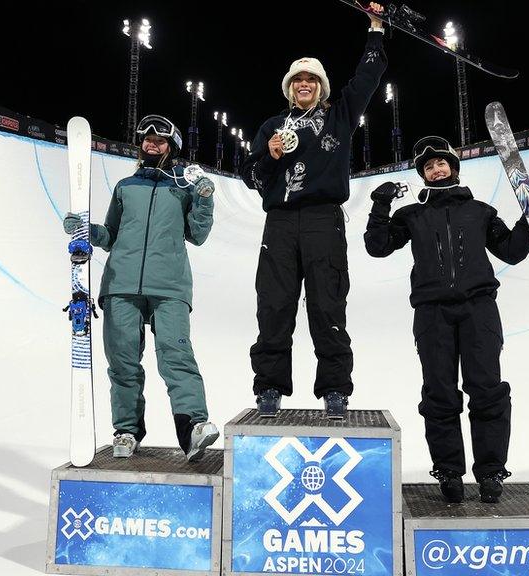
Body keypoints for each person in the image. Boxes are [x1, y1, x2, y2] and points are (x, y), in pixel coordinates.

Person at [363, 135, 529, 503]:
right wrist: (380, 204)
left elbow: (511, 252)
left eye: (441, 162)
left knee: (487, 390)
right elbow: (377, 246)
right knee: (439, 393)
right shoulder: (412, 215)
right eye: (428, 166)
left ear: (453, 167)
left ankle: (491, 471)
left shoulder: (480, 212)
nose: (436, 169)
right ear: (422, 174)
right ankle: (448, 470)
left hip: (479, 311)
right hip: (432, 313)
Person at [240, 3, 388, 419]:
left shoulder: (339, 118)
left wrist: (375, 29)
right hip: (281, 223)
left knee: (328, 305)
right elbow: (250, 176)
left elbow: (366, 80)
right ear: (289, 88)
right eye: (297, 80)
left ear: (321, 87)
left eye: (311, 79)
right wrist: (268, 156)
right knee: (274, 305)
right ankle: (269, 387)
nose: (304, 84)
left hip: (324, 219)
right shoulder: (272, 127)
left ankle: (335, 390)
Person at [62, 114, 219, 461]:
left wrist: (205, 199)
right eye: (147, 139)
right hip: (121, 284)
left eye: (159, 140)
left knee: (176, 356)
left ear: (172, 146)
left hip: (170, 285)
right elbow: (111, 235)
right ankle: (127, 431)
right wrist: (85, 231)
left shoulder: (183, 186)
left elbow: (198, 234)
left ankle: (192, 426)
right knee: (123, 362)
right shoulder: (125, 187)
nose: (151, 144)